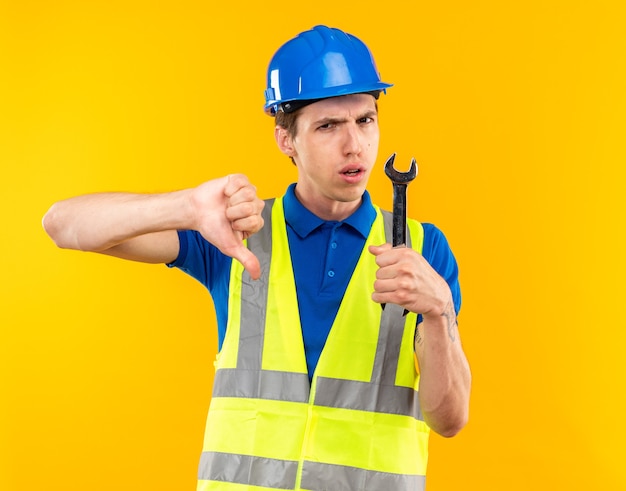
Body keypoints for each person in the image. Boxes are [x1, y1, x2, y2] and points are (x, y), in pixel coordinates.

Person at [43, 25, 471, 491]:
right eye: (328, 125)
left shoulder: (423, 249)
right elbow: (64, 226)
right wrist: (186, 207)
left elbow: (449, 419)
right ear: (287, 140)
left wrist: (438, 310)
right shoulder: (236, 233)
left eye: (364, 120)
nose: (355, 145)